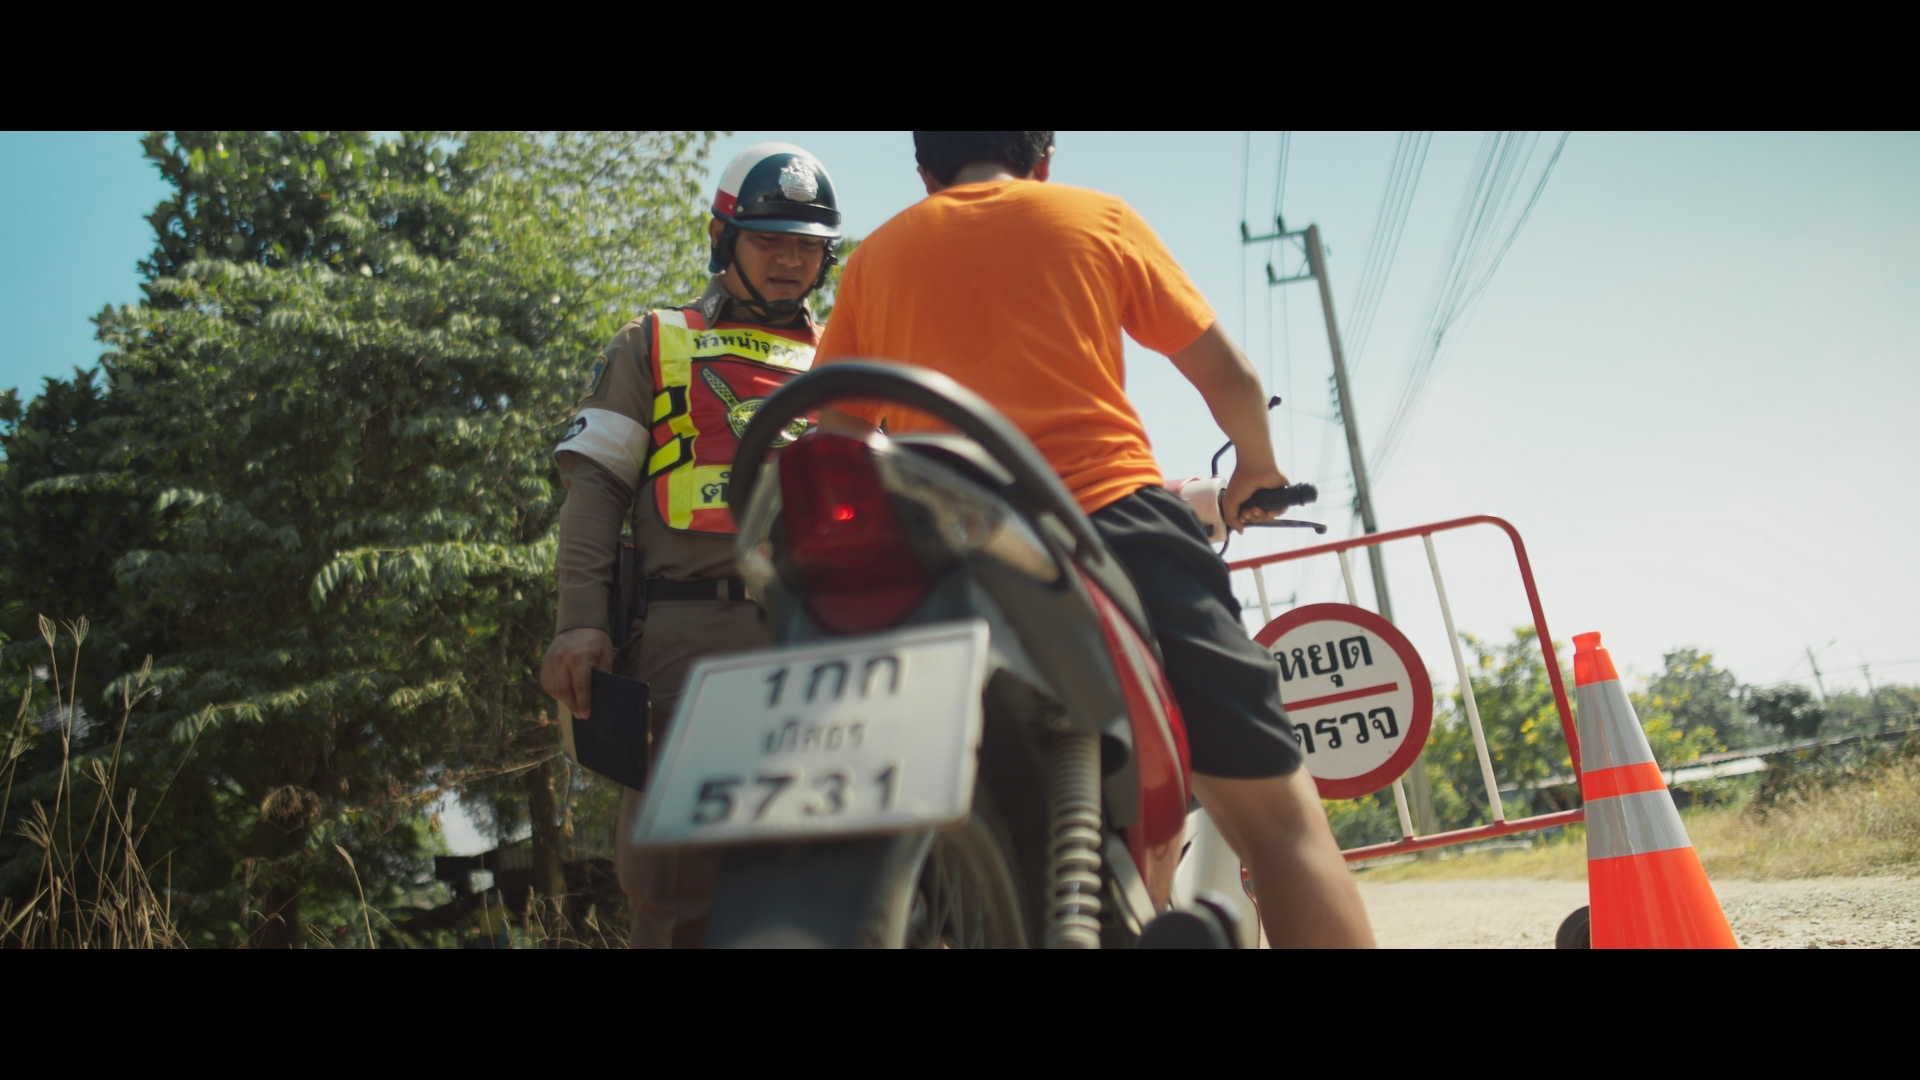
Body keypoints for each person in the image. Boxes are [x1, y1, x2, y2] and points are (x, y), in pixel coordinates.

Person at [815, 131, 1375, 947]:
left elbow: (838, 434)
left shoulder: (876, 259)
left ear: (926, 172)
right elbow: (1233, 379)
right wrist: (1256, 468)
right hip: (1113, 532)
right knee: (1280, 824)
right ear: (1043, 158)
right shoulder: (1097, 218)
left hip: (947, 566)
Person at [539, 142, 840, 948]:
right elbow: (595, 487)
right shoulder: (653, 340)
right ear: (722, 236)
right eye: (769, 239)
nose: (790, 260)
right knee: (677, 890)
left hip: (824, 645)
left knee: (831, 886)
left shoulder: (851, 355)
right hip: (685, 640)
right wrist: (580, 621)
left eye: (808, 245)